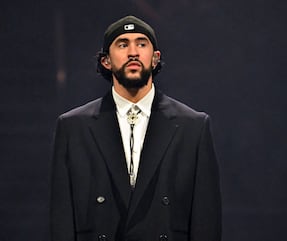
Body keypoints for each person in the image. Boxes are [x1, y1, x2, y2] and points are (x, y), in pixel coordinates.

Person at [50, 15, 221, 241]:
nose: (133, 52)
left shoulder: (193, 126)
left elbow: (206, 220)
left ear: (155, 58)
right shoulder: (73, 127)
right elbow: (61, 217)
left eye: (142, 43)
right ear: (106, 61)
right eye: (122, 44)